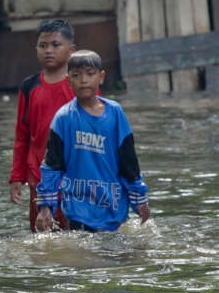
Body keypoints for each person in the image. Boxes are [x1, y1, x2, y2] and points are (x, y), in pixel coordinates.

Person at [36, 50, 150, 232]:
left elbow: (129, 162)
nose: (83, 80)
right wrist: (45, 208)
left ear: (101, 77)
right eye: (76, 75)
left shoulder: (115, 113)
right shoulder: (64, 117)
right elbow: (52, 166)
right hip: (78, 209)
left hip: (113, 207)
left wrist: (140, 201)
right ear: (68, 81)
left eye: (90, 74)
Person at [9, 19, 77, 232]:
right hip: (37, 176)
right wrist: (17, 176)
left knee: (77, 233)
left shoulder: (81, 84)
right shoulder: (29, 87)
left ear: (71, 50)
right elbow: (22, 135)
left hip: (75, 176)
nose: (49, 50)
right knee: (42, 234)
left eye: (56, 45)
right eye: (43, 45)